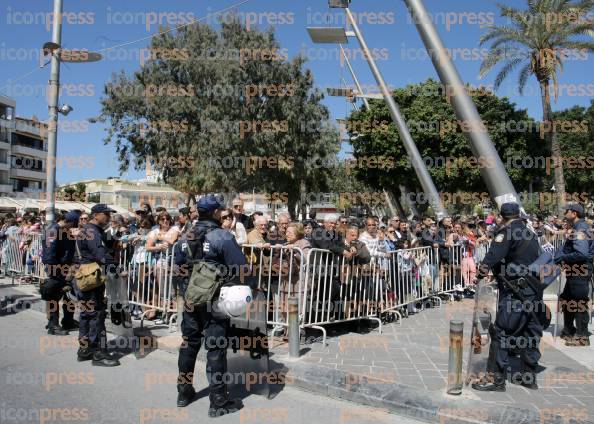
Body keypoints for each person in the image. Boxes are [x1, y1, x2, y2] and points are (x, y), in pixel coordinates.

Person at [175, 195, 245, 417]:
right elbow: (241, 267)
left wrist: (187, 291)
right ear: (215, 213)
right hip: (214, 300)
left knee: (189, 344)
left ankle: (183, 392)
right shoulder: (222, 236)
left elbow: (177, 267)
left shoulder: (185, 236)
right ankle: (218, 402)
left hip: (190, 298)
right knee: (215, 350)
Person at [472, 202, 542, 392]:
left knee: (501, 333)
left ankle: (495, 379)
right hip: (533, 291)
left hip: (515, 292)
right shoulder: (530, 232)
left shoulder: (506, 233)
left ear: (501, 216)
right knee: (529, 333)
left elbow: (493, 255)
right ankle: (529, 376)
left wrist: (480, 272)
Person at [74, 204, 120, 367]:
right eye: (106, 214)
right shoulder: (92, 232)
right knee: (96, 315)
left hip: (85, 276)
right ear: (96, 215)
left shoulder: (91, 230)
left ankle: (84, 349)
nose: (109, 217)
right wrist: (117, 269)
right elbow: (101, 255)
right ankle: (98, 353)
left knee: (87, 314)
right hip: (91, 277)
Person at [556, 203, 594, 347]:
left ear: (574, 213)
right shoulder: (578, 228)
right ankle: (569, 329)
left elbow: (581, 253)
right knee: (567, 299)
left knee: (579, 302)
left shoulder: (581, 229)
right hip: (575, 270)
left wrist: (563, 258)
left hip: (580, 270)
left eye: (567, 211)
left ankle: (582, 336)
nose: (565, 213)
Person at [41, 211, 79, 335]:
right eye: (74, 225)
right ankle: (53, 325)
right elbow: (48, 255)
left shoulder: (65, 232)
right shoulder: (53, 231)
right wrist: (56, 271)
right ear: (70, 222)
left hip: (67, 269)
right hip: (57, 270)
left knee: (69, 296)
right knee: (53, 297)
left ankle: (68, 321)